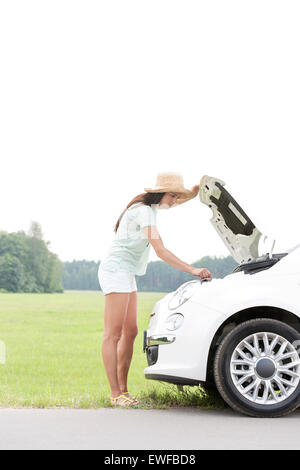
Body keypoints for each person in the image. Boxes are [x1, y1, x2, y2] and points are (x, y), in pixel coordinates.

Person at [98, 172, 212, 407]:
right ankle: (115, 393)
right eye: (173, 195)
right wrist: (192, 270)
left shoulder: (151, 207)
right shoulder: (143, 211)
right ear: (162, 193)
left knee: (131, 332)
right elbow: (161, 251)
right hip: (115, 270)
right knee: (113, 334)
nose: (174, 200)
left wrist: (190, 195)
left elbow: (175, 202)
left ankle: (124, 391)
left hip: (127, 272)